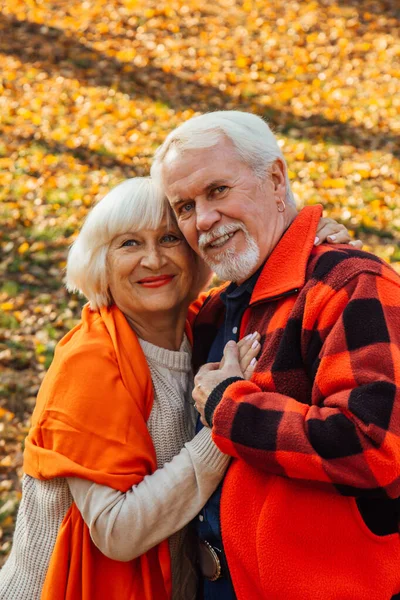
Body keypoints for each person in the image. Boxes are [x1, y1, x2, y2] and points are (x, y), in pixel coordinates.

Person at [151, 110, 400, 600]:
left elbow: (374, 445)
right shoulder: (219, 309)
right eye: (184, 206)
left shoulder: (349, 285)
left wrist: (229, 407)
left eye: (218, 190)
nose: (202, 220)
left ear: (275, 179)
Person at [0, 176, 264, 600]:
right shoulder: (89, 361)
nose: (153, 259)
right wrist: (223, 421)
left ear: (196, 253)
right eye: (129, 244)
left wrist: (313, 243)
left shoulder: (203, 328)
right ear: (100, 263)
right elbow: (117, 530)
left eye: (169, 238)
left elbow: (264, 267)